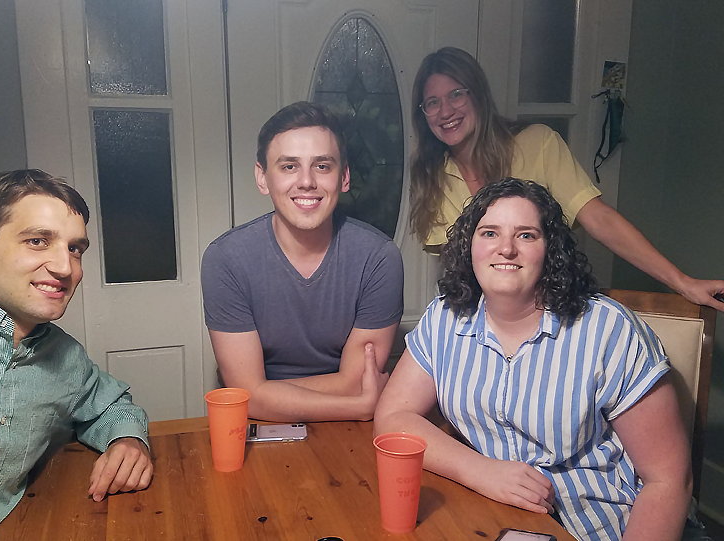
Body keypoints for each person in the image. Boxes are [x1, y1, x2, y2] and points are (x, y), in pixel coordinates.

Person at [375, 178, 694, 541]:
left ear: (551, 250)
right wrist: (482, 471)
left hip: (599, 528)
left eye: (526, 235)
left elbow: (669, 479)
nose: (506, 249)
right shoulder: (445, 318)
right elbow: (392, 418)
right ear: (470, 246)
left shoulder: (608, 331)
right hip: (492, 519)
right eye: (489, 233)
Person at [0, 170, 153, 541]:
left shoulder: (64, 356)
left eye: (75, 249)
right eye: (36, 241)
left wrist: (127, 440)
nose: (65, 268)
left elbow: (112, 406)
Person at [409, 46, 724, 312]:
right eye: (432, 102)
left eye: (456, 94)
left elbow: (599, 218)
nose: (445, 110)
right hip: (482, 319)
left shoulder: (538, 143)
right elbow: (458, 272)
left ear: (478, 96)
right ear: (423, 114)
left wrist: (681, 281)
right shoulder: (431, 176)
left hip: (552, 310)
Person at [201, 102, 404, 422]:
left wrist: (264, 392)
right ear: (262, 177)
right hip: (259, 425)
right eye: (289, 166)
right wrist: (359, 405)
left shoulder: (378, 258)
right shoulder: (226, 259)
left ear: (345, 177)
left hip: (346, 430)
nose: (306, 181)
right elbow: (246, 398)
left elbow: (355, 382)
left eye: (322, 166)